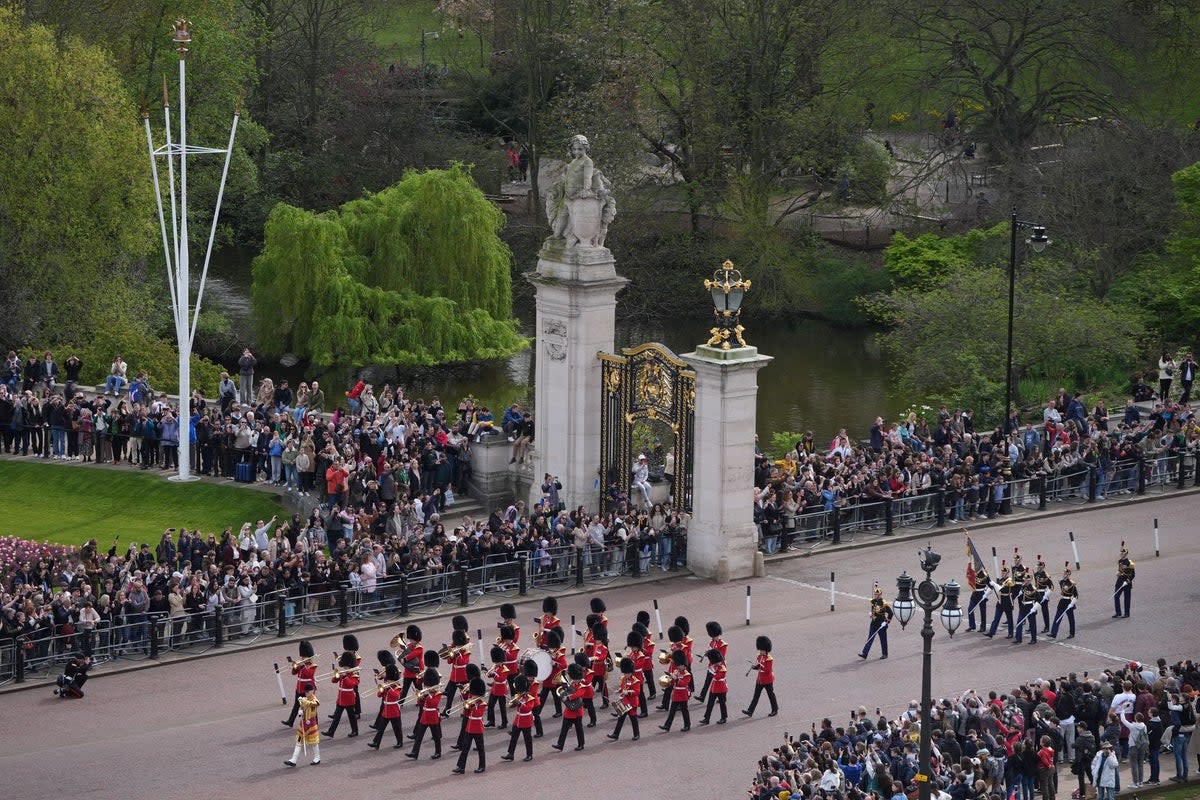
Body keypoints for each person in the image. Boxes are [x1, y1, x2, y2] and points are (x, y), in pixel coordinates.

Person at [406, 668, 444, 760]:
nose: (426, 687)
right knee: (419, 736)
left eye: (427, 685)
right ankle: (414, 753)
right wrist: (421, 698)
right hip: (424, 716)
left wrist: (428, 695)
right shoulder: (427, 692)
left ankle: (438, 752)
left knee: (436, 737)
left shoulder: (437, 693)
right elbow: (420, 704)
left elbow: (433, 704)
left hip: (433, 716)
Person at [452, 678, 486, 774]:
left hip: (477, 728)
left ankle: (482, 766)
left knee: (480, 748)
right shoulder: (472, 701)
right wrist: (465, 700)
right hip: (469, 727)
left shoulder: (482, 704)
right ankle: (461, 767)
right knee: (465, 748)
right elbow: (466, 711)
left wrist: (473, 705)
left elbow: (478, 714)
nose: (473, 695)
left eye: (474, 694)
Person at [551, 663, 588, 752]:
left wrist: (568, 697)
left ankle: (581, 744)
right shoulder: (572, 683)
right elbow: (568, 691)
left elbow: (578, 694)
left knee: (579, 729)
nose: (574, 680)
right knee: (564, 729)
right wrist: (564, 691)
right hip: (569, 711)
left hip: (577, 710)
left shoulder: (582, 685)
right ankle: (560, 744)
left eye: (575, 678)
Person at [322, 651, 360, 738]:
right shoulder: (344, 673)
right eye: (344, 666)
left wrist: (345, 676)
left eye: (346, 666)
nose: (345, 668)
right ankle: (331, 732)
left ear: (350, 665)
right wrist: (336, 676)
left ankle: (355, 731)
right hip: (341, 698)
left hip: (349, 699)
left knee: (352, 717)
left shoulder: (354, 674)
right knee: (337, 717)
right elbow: (333, 681)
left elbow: (352, 684)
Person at [367, 663, 403, 750]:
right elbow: (379, 695)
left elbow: (396, 696)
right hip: (386, 711)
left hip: (394, 711)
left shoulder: (397, 687)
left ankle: (400, 742)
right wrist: (382, 689)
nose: (387, 682)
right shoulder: (387, 686)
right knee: (381, 729)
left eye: (389, 681)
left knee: (397, 729)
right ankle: (376, 742)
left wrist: (389, 688)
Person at [282, 640, 317, 727]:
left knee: (309, 706)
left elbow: (308, 674)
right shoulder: (302, 664)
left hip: (308, 689)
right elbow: (294, 673)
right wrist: (296, 667)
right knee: (296, 705)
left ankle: (315, 722)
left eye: (304, 657)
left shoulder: (313, 665)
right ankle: (290, 721)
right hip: (299, 687)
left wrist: (302, 665)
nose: (302, 659)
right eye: (302, 657)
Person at [285, 683, 321, 767]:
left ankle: (317, 757)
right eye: (305, 692)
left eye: (308, 692)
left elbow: (315, 704)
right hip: (303, 724)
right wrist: (300, 711)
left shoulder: (314, 700)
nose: (306, 693)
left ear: (312, 691)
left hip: (311, 724)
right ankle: (293, 760)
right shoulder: (305, 698)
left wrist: (304, 701)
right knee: (298, 741)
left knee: (314, 742)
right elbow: (303, 707)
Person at [742, 636, 778, 717]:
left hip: (768, 680)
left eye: (762, 650)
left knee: (770, 695)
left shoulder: (769, 659)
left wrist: (760, 667)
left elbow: (768, 670)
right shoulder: (759, 656)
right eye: (760, 650)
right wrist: (755, 667)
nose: (761, 651)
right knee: (756, 696)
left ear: (766, 650)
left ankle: (775, 709)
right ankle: (750, 711)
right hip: (760, 680)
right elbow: (759, 666)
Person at [608, 657, 642, 741]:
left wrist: (629, 692)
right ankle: (615, 734)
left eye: (627, 673)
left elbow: (637, 692)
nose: (625, 674)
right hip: (624, 701)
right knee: (621, 718)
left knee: (633, 719)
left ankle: (636, 734)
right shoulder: (624, 678)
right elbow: (623, 687)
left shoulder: (635, 680)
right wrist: (619, 690)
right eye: (625, 673)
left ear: (631, 672)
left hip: (632, 702)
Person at [659, 649, 692, 732]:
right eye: (678, 665)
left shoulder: (687, 674)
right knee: (672, 711)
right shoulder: (676, 671)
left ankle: (687, 725)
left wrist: (676, 679)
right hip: (676, 694)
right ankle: (667, 726)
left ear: (684, 666)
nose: (678, 667)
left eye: (680, 665)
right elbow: (673, 682)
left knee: (685, 711)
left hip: (683, 695)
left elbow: (684, 684)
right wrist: (669, 677)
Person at [859, 586, 893, 659]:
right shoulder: (873, 601)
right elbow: (873, 610)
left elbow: (891, 613)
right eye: (875, 594)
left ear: (880, 595)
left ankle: (885, 654)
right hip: (873, 623)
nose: (876, 595)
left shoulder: (884, 603)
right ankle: (865, 653)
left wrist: (886, 622)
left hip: (881, 624)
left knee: (883, 640)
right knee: (870, 638)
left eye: (877, 594)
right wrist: (871, 614)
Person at [1048, 563, 1079, 639]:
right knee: (1057, 617)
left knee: (1071, 618)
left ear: (1068, 575)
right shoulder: (1061, 582)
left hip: (1069, 601)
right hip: (1062, 601)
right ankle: (1053, 633)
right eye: (1064, 573)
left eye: (1066, 574)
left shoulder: (1072, 584)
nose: (1064, 574)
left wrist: (1071, 604)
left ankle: (1072, 633)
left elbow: (1076, 595)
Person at [699, 648, 729, 725]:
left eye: (717, 662)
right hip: (714, 688)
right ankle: (706, 718)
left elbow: (717, 677)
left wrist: (712, 672)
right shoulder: (715, 666)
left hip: (721, 689)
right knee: (710, 703)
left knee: (722, 704)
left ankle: (724, 717)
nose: (716, 663)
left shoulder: (723, 668)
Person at [1113, 542, 1134, 618]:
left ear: (1125, 554)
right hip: (1119, 581)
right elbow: (1120, 570)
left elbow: (1133, 574)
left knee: (1127, 598)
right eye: (1120, 554)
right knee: (1116, 596)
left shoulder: (1130, 563)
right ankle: (1118, 612)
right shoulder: (1120, 561)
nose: (1120, 555)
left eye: (1122, 554)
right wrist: (1118, 573)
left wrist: (1128, 580)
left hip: (1126, 582)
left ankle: (1127, 613)